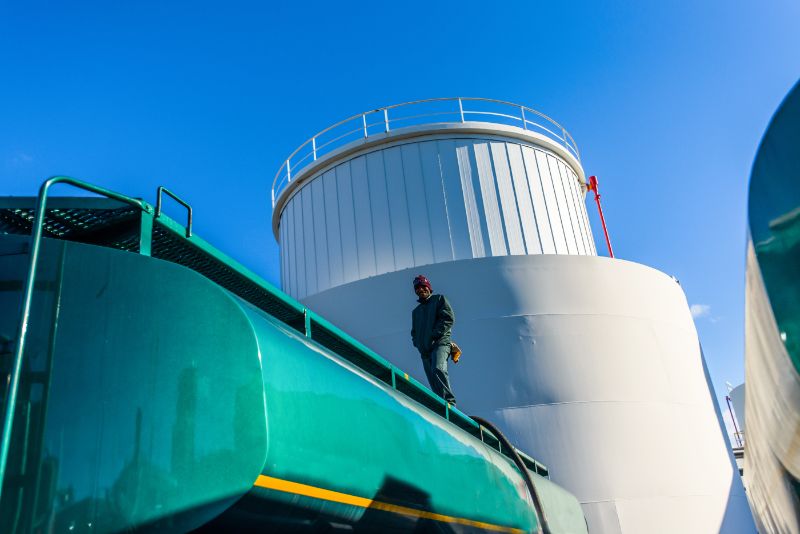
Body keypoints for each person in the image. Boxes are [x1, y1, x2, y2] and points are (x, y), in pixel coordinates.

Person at [411, 275, 457, 405]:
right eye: (417, 288)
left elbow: (448, 319)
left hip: (440, 343)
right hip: (425, 350)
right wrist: (418, 343)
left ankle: (449, 402)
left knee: (438, 368)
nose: (420, 289)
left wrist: (433, 336)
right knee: (432, 378)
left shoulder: (439, 300)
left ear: (429, 287)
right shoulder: (416, 312)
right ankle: (441, 406)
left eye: (423, 286)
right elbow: (414, 332)